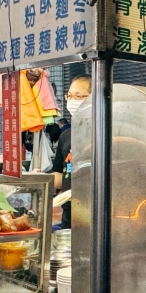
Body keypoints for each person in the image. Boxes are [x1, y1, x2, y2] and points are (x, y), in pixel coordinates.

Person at [50, 75, 91, 228]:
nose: (72, 101)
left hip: (95, 212)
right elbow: (61, 175)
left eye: (79, 96)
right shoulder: (67, 135)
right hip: (70, 213)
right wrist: (35, 179)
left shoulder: (106, 132)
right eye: (70, 96)